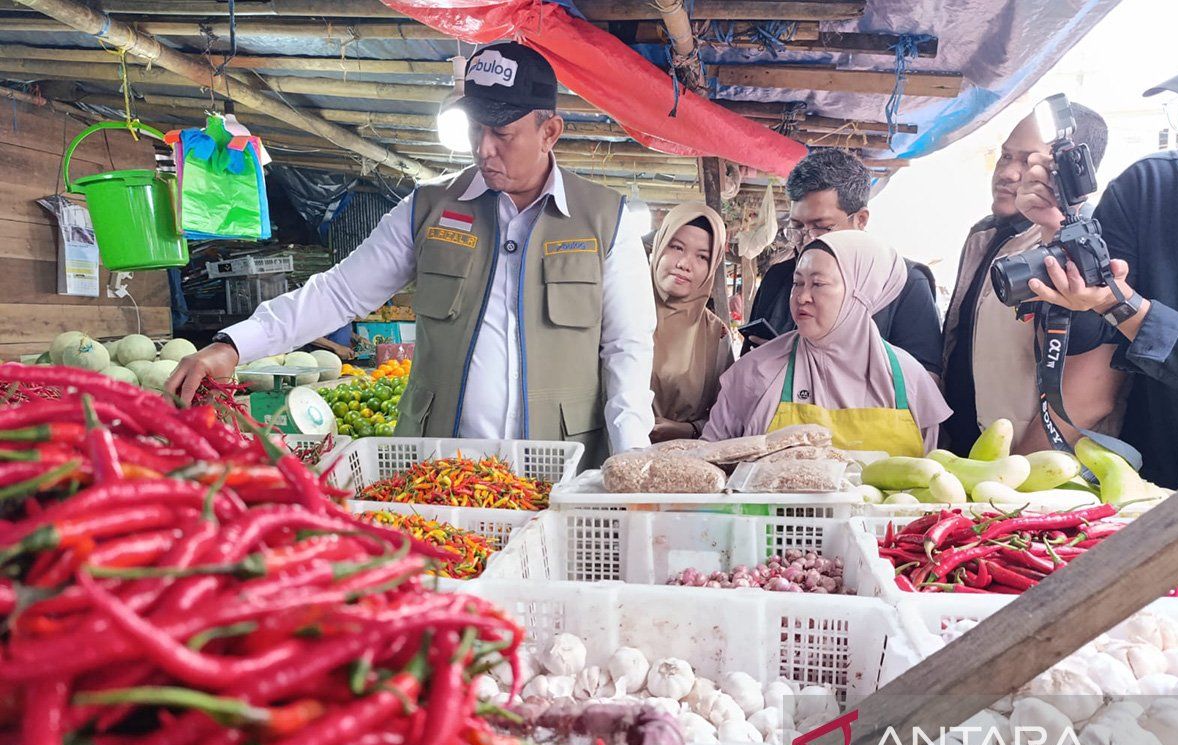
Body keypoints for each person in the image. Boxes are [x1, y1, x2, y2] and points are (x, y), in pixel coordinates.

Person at [165, 42, 656, 464]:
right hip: (440, 467)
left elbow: (627, 350)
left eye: (502, 133)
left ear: (550, 132)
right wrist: (235, 344)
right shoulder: (427, 208)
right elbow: (338, 293)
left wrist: (631, 458)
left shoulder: (605, 220)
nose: (483, 148)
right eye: (475, 129)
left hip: (564, 468)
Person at [1020, 56, 1178, 489]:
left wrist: (1126, 307)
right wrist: (1059, 231)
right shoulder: (1147, 189)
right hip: (1150, 482)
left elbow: (1119, 306)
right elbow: (1093, 333)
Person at [941, 103, 1120, 456]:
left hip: (1047, 474)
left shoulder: (1093, 251)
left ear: (1071, 170)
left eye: (1029, 161)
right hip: (975, 458)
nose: (1008, 173)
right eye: (1006, 156)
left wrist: (1020, 473)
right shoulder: (986, 236)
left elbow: (1091, 393)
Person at [703, 230, 950, 454]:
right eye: (798, 283)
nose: (802, 296)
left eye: (818, 284)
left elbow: (929, 480)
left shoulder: (909, 380)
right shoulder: (757, 371)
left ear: (861, 292)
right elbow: (707, 463)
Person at [740, 149, 942, 378]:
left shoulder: (905, 283)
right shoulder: (779, 278)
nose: (807, 240)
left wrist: (802, 366)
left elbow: (927, 385)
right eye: (797, 227)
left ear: (860, 219)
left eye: (822, 227)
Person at [648, 201, 735, 443]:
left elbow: (727, 416)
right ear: (659, 245)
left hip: (682, 464)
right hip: (605, 457)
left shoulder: (715, 334)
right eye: (676, 247)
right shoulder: (617, 313)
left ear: (712, 267)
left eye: (702, 256)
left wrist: (686, 429)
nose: (685, 264)